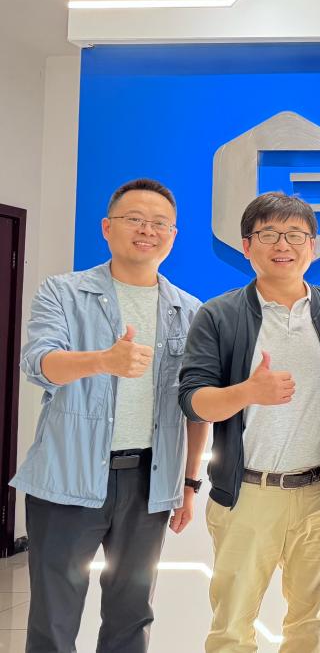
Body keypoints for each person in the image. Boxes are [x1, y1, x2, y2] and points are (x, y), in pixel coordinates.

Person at [15, 178, 206, 653]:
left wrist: (188, 482)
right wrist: (103, 360)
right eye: (134, 219)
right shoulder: (63, 292)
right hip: (66, 478)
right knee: (54, 616)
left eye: (159, 223)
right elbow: (38, 363)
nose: (147, 230)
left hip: (147, 482)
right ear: (107, 227)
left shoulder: (188, 310)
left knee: (131, 614)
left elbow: (194, 405)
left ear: (173, 235)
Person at [178, 192, 320, 653]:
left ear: (313, 247)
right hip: (247, 494)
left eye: (295, 235)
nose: (282, 245)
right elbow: (193, 401)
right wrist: (248, 392)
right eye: (268, 234)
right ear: (247, 246)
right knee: (232, 627)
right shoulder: (219, 315)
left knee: (312, 626)